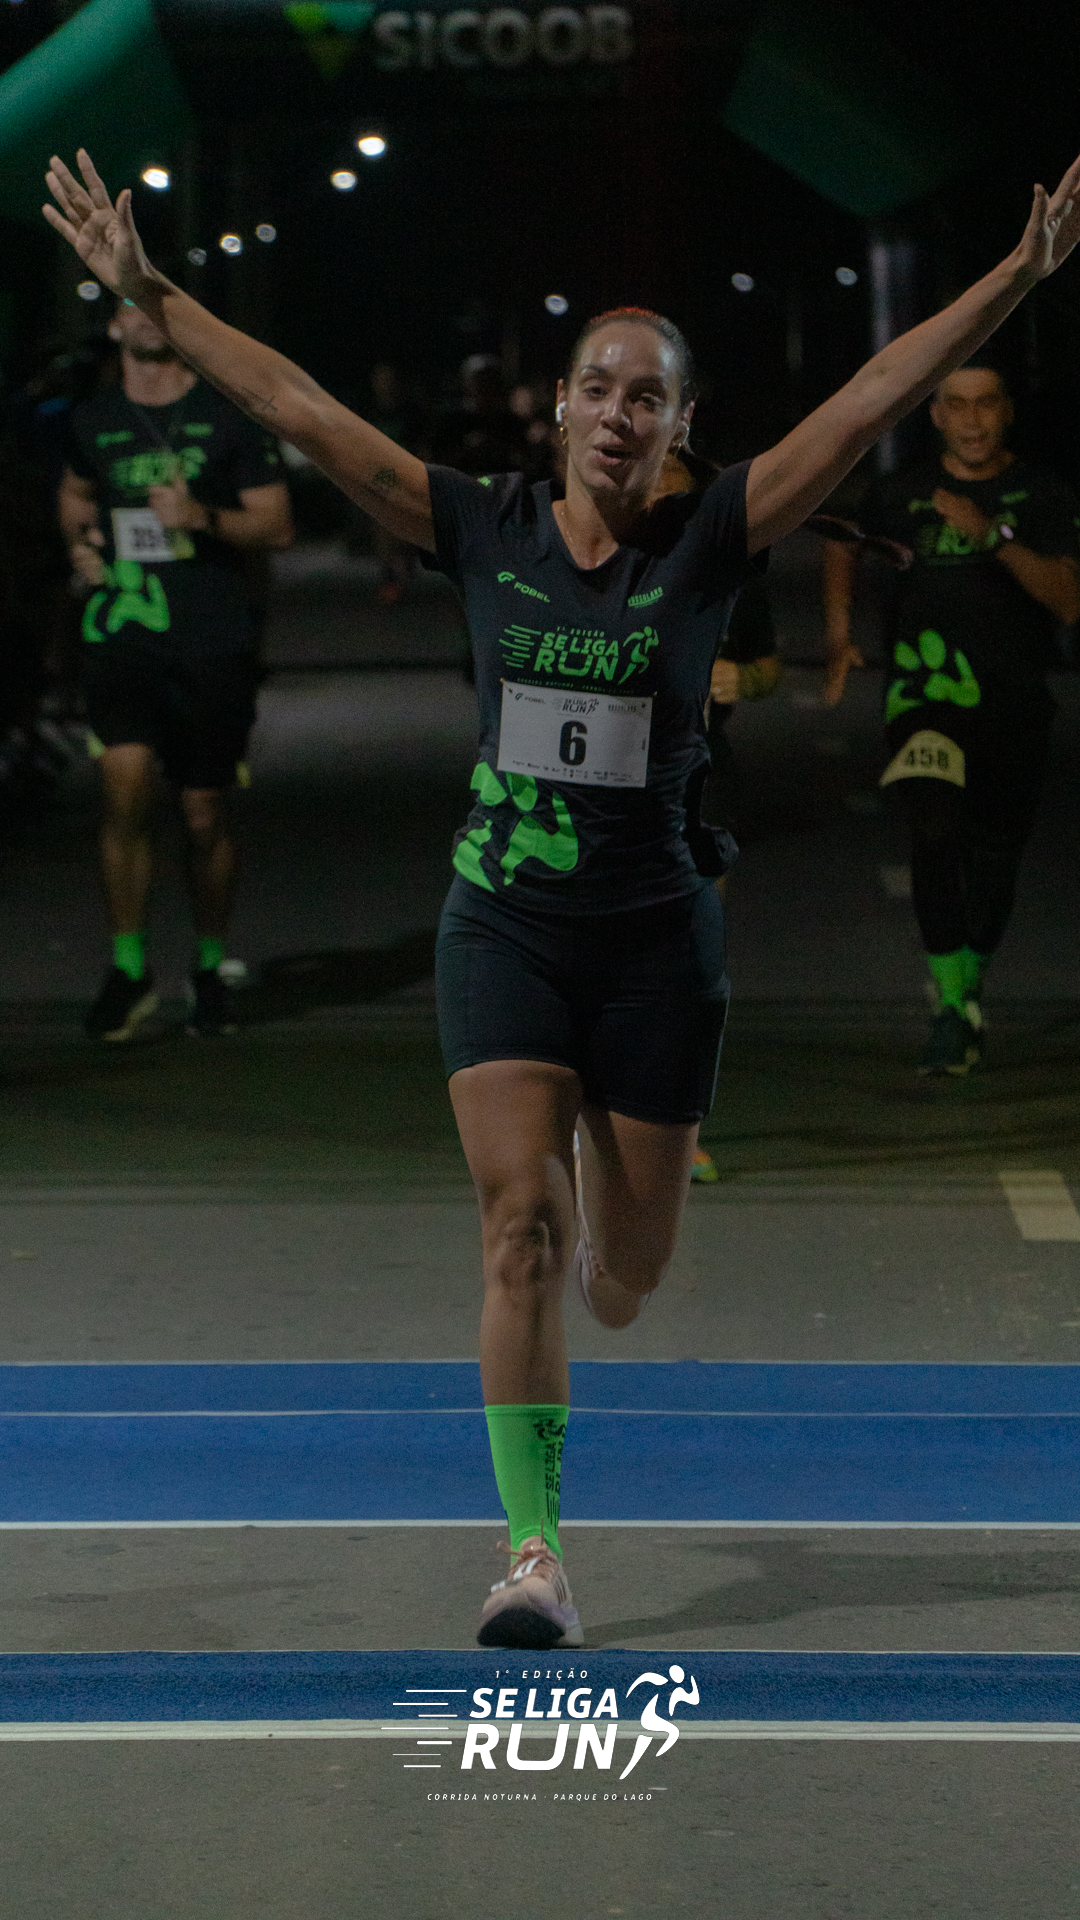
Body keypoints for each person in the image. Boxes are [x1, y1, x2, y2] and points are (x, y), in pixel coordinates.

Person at [44, 144, 1080, 1643]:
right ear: (560, 405)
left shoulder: (711, 537)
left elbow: (869, 402)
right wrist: (154, 294)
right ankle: (532, 1554)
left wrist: (1017, 279)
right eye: (597, 387)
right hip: (508, 927)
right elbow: (298, 409)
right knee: (517, 1227)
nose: (617, 414)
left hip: (657, 940)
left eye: (647, 396)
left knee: (626, 1283)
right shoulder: (485, 526)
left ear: (680, 425)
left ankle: (618, 1206)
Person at [822, 363, 1080, 1073]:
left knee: (995, 855)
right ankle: (951, 1006)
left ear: (1007, 412)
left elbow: (1067, 600)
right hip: (923, 698)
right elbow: (841, 536)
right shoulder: (900, 491)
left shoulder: (1043, 494)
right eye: (956, 405)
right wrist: (839, 633)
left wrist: (991, 534)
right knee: (934, 833)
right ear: (934, 415)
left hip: (1013, 702)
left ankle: (966, 988)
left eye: (986, 404)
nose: (971, 420)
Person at [57, 294, 294, 1040]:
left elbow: (277, 522)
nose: (142, 316)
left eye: (154, 302)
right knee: (122, 792)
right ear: (114, 326)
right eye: (128, 305)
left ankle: (208, 966)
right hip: (123, 632)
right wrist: (81, 546)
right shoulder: (93, 418)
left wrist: (203, 518)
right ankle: (128, 970)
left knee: (203, 811)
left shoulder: (228, 417)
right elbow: (74, 495)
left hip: (208, 636)